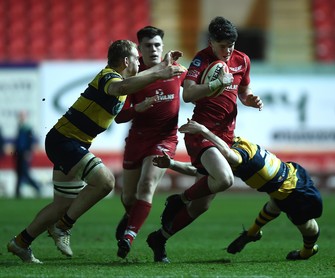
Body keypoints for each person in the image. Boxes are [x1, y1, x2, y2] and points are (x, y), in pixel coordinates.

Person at [6, 39, 185, 264]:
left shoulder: (123, 78)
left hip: (68, 141)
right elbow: (121, 87)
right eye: (136, 58)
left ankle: (20, 243)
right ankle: (63, 226)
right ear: (126, 61)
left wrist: (163, 66)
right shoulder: (109, 76)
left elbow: (135, 81)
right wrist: (160, 74)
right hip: (66, 141)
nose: (140, 63)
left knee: (61, 204)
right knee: (105, 182)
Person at [145, 16, 263, 263]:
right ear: (211, 42)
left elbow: (243, 91)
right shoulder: (201, 59)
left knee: (201, 206)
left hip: (225, 137)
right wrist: (215, 84)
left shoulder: (242, 60)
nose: (228, 50)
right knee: (225, 179)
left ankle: (160, 238)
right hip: (201, 132)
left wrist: (249, 99)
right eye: (222, 46)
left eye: (231, 45)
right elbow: (188, 94)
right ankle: (179, 199)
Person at [151, 119, 323, 261]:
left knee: (306, 225)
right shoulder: (237, 145)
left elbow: (225, 153)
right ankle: (252, 233)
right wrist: (171, 164)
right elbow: (197, 170)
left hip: (294, 191)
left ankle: (307, 251)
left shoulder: (237, 157)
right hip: (286, 178)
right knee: (275, 203)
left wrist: (203, 130)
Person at [113, 26, 187, 260]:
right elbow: (120, 116)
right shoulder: (134, 78)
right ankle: (131, 217)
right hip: (137, 140)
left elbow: (195, 92)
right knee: (128, 198)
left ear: (163, 47)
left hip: (165, 139)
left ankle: (129, 236)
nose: (153, 49)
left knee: (147, 185)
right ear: (139, 49)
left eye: (157, 45)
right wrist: (137, 108)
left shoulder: (177, 71)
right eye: (148, 45)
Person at [13, 111, 42, 198]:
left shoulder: (28, 128)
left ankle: (37, 187)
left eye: (22, 116)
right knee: (19, 173)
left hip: (25, 153)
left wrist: (28, 152)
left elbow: (31, 141)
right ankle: (17, 193)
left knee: (24, 173)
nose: (21, 117)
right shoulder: (20, 127)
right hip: (19, 153)